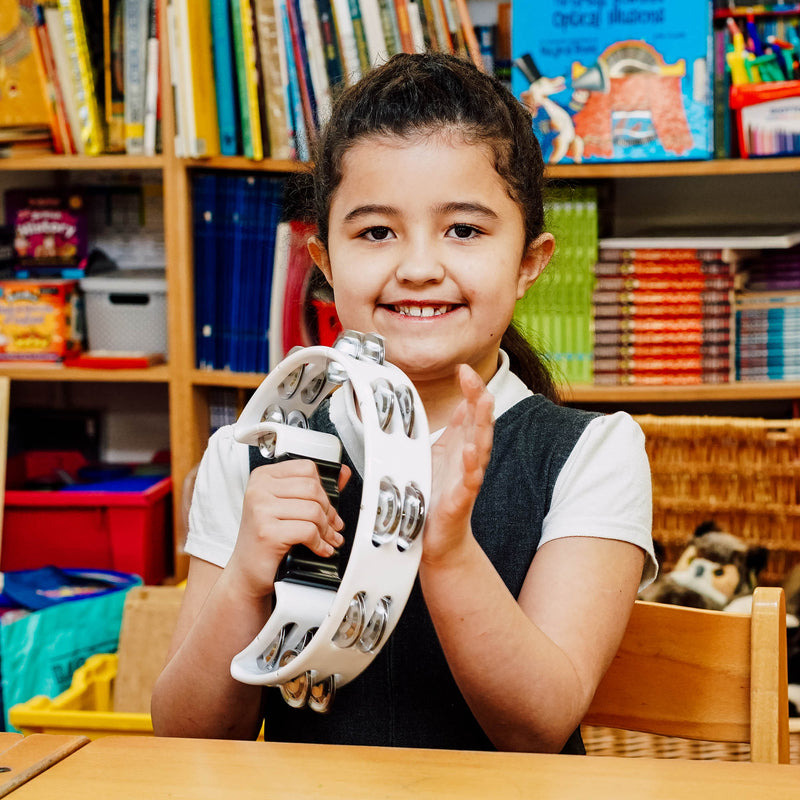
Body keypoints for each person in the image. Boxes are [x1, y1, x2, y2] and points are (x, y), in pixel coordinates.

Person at [151, 51, 655, 754]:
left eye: (466, 230)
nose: (419, 267)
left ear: (529, 263)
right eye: (376, 232)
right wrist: (242, 580)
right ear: (323, 261)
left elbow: (540, 724)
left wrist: (445, 549)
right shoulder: (251, 452)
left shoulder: (595, 453)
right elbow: (185, 734)